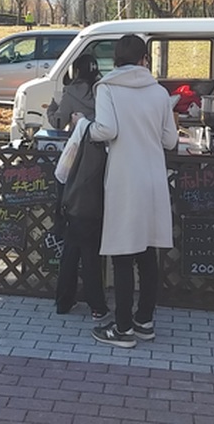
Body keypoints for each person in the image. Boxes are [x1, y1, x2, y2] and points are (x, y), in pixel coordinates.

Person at [82, 34, 178, 348]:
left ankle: (123, 329)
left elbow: (107, 129)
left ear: (116, 59)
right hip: (154, 178)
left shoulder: (108, 87)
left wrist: (85, 127)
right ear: (144, 59)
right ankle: (144, 321)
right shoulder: (159, 92)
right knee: (148, 252)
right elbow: (170, 140)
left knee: (123, 254)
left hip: (124, 179)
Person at [51, 55, 108, 321]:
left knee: (74, 244)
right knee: (88, 245)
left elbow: (57, 122)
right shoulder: (103, 92)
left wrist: (53, 108)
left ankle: (65, 300)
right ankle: (96, 304)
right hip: (100, 169)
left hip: (74, 169)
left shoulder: (70, 92)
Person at [46, 54, 99, 130]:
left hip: (80, 136)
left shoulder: (71, 94)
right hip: (103, 135)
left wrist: (52, 108)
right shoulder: (104, 90)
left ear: (77, 72)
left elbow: (58, 123)